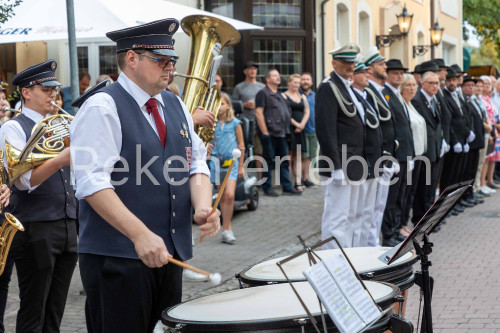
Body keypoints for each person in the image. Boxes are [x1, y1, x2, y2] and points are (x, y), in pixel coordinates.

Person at [70, 19, 220, 332]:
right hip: (117, 257)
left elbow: (196, 164)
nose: (171, 68)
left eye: (173, 61)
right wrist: (139, 234)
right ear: (132, 59)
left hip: (168, 254)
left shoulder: (175, 103)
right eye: (161, 60)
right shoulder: (102, 106)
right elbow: (92, 182)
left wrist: (204, 206)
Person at [0, 60, 77, 333]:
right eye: (46, 89)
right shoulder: (13, 128)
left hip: (68, 222)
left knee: (55, 310)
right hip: (35, 227)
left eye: (54, 90)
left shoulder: (63, 124)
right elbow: (23, 182)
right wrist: (61, 159)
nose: (53, 95)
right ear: (26, 92)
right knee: (34, 310)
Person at [316, 43, 366, 249]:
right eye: (346, 62)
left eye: (353, 61)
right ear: (334, 63)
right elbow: (325, 129)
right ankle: (334, 261)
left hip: (353, 162)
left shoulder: (344, 86)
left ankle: (347, 256)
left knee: (350, 216)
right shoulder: (329, 87)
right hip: (340, 163)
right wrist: (335, 165)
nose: (351, 65)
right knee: (336, 218)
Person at [362, 47, 396, 246]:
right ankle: (371, 243)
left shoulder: (378, 91)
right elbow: (374, 127)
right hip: (378, 157)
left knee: (379, 205)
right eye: (381, 64)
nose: (385, 66)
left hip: (386, 155)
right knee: (373, 206)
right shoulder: (369, 91)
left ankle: (373, 242)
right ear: (370, 68)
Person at [381, 59, 414, 247]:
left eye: (401, 73)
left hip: (403, 154)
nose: (399, 76)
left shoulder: (397, 95)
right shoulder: (385, 94)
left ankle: (394, 229)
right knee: (391, 197)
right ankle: (388, 234)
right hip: (394, 154)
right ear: (387, 75)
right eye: (395, 73)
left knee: (399, 195)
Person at [350, 61, 383, 247]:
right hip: (361, 160)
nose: (367, 75)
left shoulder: (365, 96)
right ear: (353, 76)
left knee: (369, 209)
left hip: (373, 159)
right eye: (362, 73)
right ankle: (358, 247)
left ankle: (366, 245)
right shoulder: (353, 96)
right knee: (358, 210)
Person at [255, 68, 300, 196]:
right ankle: (267, 187)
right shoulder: (263, 93)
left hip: (282, 133)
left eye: (278, 76)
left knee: (284, 160)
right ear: (267, 79)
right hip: (270, 132)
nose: (278, 77)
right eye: (275, 76)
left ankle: (286, 186)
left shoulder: (280, 94)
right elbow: (259, 113)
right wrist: (264, 132)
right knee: (268, 161)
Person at [208, 93, 245, 244]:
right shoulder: (211, 123)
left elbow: (241, 146)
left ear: (228, 106)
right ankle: (223, 230)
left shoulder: (235, 123)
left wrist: (241, 165)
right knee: (221, 196)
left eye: (222, 104)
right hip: (216, 163)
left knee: (230, 195)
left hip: (232, 163)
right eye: (217, 104)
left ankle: (227, 228)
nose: (219, 107)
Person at [411, 72, 443, 225]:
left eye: (436, 83)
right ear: (422, 84)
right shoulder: (417, 100)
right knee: (422, 188)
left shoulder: (435, 99)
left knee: (431, 187)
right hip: (424, 150)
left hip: (435, 148)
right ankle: (420, 220)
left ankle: (429, 218)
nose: (435, 86)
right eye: (431, 83)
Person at [441, 68, 473, 207]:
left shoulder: (458, 95)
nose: (452, 83)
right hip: (453, 142)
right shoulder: (444, 96)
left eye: (454, 80)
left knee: (458, 175)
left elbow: (463, 116)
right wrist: (455, 141)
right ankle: (446, 204)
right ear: (446, 81)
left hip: (462, 139)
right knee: (449, 176)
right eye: (449, 80)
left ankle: (455, 202)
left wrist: (467, 134)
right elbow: (450, 122)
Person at [400, 73, 426, 235]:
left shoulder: (411, 105)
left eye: (413, 85)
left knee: (411, 191)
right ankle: (400, 224)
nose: (411, 88)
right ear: (401, 88)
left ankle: (404, 222)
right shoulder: (402, 105)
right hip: (408, 155)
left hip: (418, 154)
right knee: (404, 191)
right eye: (408, 85)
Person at [233, 61, 266, 177]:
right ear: (245, 71)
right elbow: (233, 105)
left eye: (255, 69)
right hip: (244, 123)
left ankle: (260, 178)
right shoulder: (239, 87)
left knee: (259, 151)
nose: (253, 71)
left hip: (259, 122)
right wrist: (244, 105)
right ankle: (242, 175)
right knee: (243, 150)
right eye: (250, 69)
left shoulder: (262, 87)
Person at [282, 74, 310, 192]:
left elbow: (307, 111)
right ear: (289, 83)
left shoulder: (302, 96)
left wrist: (302, 124)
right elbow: (285, 112)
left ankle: (298, 182)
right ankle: (288, 182)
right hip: (289, 129)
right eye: (295, 82)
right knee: (289, 156)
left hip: (300, 130)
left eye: (298, 83)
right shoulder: (284, 96)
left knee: (298, 156)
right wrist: (296, 124)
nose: (297, 85)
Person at [461, 75, 486, 204]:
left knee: (472, 170)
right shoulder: (464, 101)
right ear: (462, 87)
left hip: (476, 141)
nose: (471, 87)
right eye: (468, 85)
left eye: (472, 85)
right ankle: (465, 195)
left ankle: (470, 194)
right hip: (469, 142)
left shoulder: (472, 100)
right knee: (466, 171)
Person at [479, 75, 500, 193]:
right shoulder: (480, 98)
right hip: (486, 131)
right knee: (484, 159)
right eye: (484, 84)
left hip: (492, 130)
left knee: (491, 158)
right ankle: (481, 183)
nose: (486, 86)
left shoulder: (488, 98)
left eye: (488, 84)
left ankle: (489, 181)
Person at [299, 72, 318, 188]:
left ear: (311, 82)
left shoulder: (316, 96)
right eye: (303, 79)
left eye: (307, 79)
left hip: (314, 130)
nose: (305, 81)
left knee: (310, 156)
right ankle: (299, 179)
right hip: (301, 130)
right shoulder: (297, 95)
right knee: (301, 156)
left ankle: (306, 178)